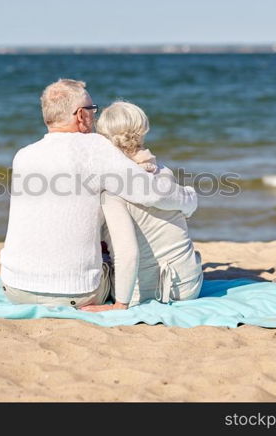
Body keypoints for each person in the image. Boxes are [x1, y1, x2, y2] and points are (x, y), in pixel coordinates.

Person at [0, 79, 198, 308]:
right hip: (75, 294)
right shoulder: (95, 148)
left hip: (13, 288)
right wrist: (189, 200)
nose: (94, 117)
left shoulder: (24, 155)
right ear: (81, 116)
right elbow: (154, 194)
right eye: (92, 111)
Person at [81, 101, 203, 312]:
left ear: (103, 138)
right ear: (143, 129)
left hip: (144, 293)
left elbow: (127, 252)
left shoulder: (111, 190)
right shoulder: (163, 172)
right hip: (190, 286)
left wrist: (120, 304)